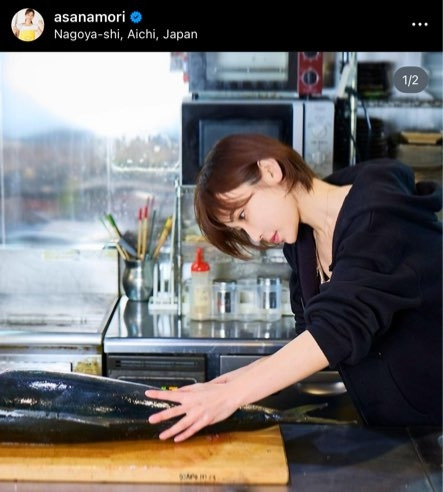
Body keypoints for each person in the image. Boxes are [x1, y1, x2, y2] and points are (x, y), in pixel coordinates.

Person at [146, 133, 442, 442]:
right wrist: (221, 387)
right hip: (408, 434)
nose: (254, 236)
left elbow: (337, 330)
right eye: (240, 229)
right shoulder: (304, 247)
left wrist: (229, 397)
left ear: (270, 170)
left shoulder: (380, 217)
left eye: (243, 215)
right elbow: (310, 342)